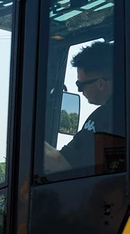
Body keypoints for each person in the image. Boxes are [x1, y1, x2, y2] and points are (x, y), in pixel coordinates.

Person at [43, 40, 122, 175]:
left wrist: (28, 139)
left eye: (81, 85)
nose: (80, 91)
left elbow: (63, 163)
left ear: (101, 84)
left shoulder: (105, 117)